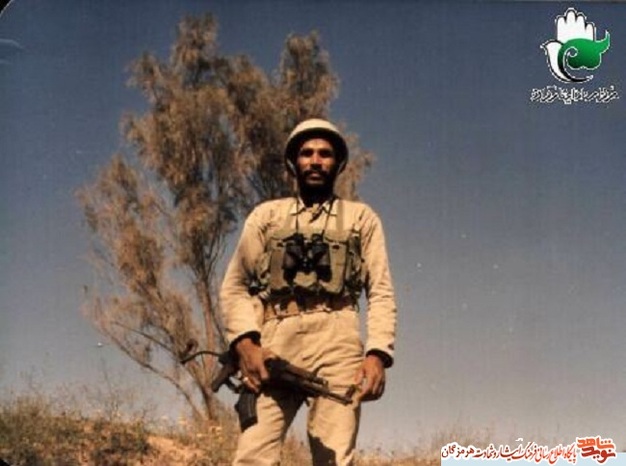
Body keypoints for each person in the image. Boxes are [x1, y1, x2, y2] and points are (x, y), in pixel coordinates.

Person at [220, 118, 397, 466]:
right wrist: (245, 344)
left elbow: (380, 292)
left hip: (337, 337)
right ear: (293, 162)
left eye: (325, 154)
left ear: (338, 163)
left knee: (333, 457)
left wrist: (377, 353)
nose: (315, 161)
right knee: (253, 455)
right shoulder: (267, 216)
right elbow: (235, 285)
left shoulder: (361, 219)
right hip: (274, 340)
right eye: (307, 153)